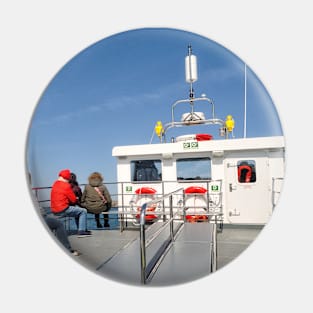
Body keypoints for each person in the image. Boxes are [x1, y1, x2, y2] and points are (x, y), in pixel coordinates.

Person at [50, 169, 92, 236]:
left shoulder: (55, 184)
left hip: (54, 210)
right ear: (67, 178)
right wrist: (76, 198)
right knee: (83, 211)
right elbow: (73, 200)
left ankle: (81, 229)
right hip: (63, 209)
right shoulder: (66, 186)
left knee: (77, 212)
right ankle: (81, 231)